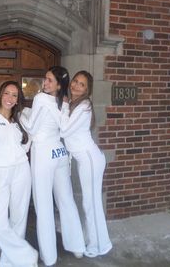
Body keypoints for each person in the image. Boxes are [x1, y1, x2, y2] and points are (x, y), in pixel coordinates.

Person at [20, 66, 85, 267]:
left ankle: (49, 256)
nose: (45, 83)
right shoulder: (65, 102)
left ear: (58, 85)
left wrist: (22, 113)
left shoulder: (41, 98)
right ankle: (77, 247)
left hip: (44, 153)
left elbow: (31, 127)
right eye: (45, 79)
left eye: (49, 80)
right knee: (66, 200)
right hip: (60, 152)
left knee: (44, 205)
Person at [0, 80, 38, 267]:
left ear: (18, 100)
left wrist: (26, 143)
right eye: (6, 93)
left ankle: (9, 263)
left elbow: (27, 142)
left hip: (21, 172)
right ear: (0, 94)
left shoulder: (19, 120)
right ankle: (28, 257)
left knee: (19, 219)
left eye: (14, 95)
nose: (10, 98)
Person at [60, 70, 112, 258]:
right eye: (75, 81)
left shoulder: (83, 106)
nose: (76, 86)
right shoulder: (77, 104)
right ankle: (97, 240)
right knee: (90, 203)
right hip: (88, 159)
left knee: (91, 204)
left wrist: (64, 106)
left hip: (90, 159)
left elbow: (64, 130)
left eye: (81, 84)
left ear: (87, 90)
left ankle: (99, 245)